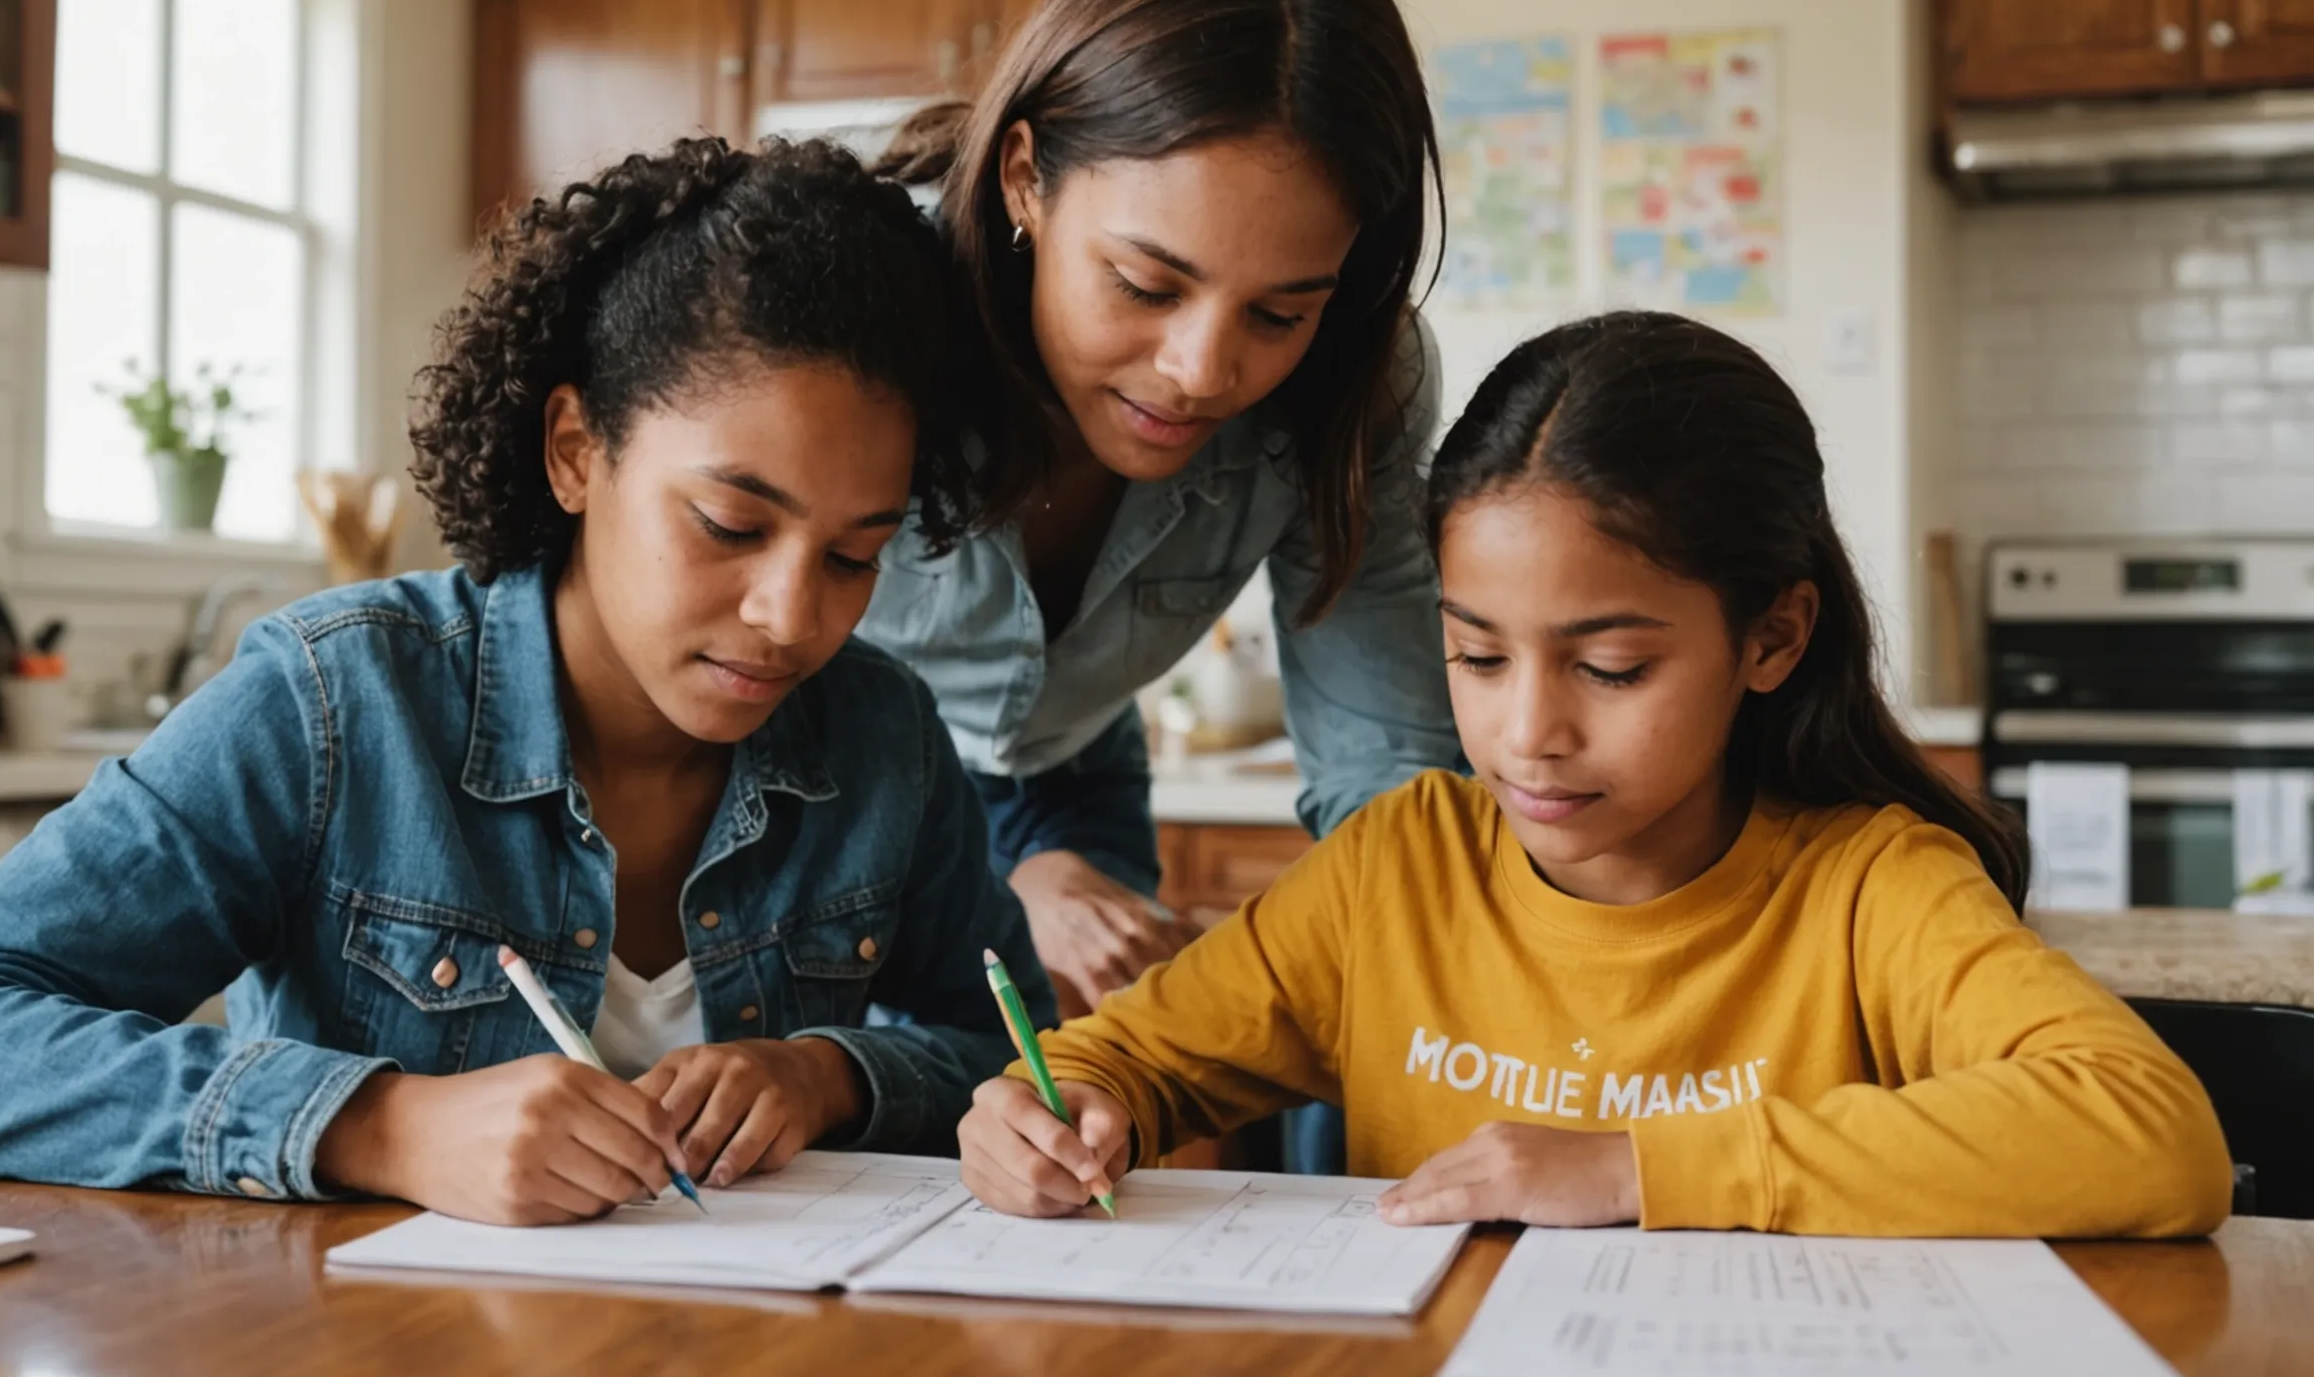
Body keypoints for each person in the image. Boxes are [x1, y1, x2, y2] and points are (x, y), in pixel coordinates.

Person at [0, 138, 1054, 1227]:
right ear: (577, 451)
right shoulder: (336, 704)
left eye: (854, 555)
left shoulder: (882, 735)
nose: (793, 618)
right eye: (732, 524)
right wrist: (383, 1126)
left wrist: (832, 1077)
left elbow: (1030, 1059)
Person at [955, 310, 2232, 1239]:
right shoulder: (1399, 868)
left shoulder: (1871, 889)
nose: (1526, 735)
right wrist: (1043, 1110)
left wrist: (1637, 1168)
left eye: (1611, 669)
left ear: (1772, 638)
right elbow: (1127, 1063)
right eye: (1475, 655)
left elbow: (2148, 1133)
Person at [868, 0, 1462, 1024]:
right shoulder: (858, 314)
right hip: (829, 780)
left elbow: (1388, 758)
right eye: (1146, 286)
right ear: (1024, 178)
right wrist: (997, 879)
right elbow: (717, 694)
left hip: (1070, 776)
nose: (1200, 372)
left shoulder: (1352, 387)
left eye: (1281, 314)